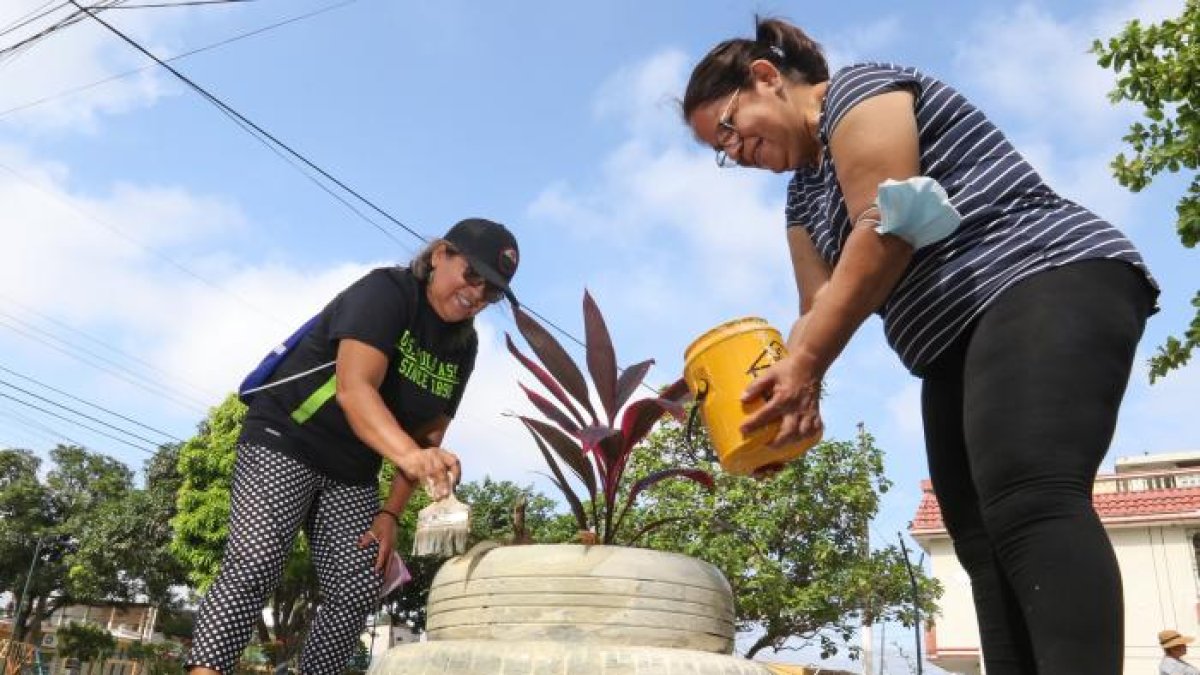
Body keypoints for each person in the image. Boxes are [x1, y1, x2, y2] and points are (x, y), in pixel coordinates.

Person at [681, 17, 1158, 675]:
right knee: (980, 540)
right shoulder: (801, 199)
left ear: (765, 78)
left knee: (1029, 495)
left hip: (1042, 275)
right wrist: (785, 414)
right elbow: (817, 309)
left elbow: (891, 219)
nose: (735, 152)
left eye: (730, 128)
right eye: (720, 150)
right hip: (952, 343)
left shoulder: (859, 92)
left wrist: (808, 363)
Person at [185, 217, 520, 675]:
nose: (477, 294)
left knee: (360, 583)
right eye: (472, 275)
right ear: (440, 254)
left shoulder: (464, 347)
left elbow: (429, 439)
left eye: (492, 291)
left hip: (352, 472)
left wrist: (390, 514)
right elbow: (355, 389)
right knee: (257, 560)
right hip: (287, 438)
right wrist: (410, 455)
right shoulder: (386, 292)